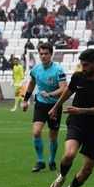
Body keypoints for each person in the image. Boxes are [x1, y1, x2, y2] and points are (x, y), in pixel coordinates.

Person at [47, 48, 94, 187]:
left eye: (86, 65)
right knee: (69, 153)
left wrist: (80, 110)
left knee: (87, 170)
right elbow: (67, 92)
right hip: (77, 122)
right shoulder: (78, 77)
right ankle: (62, 176)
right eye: (81, 65)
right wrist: (55, 107)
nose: (83, 68)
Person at [21, 42, 67, 172]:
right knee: (36, 132)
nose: (43, 56)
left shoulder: (58, 70)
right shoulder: (36, 69)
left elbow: (64, 88)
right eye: (41, 54)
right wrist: (25, 100)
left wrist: (50, 94)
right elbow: (31, 84)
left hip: (55, 105)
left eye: (46, 54)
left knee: (53, 137)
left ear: (51, 54)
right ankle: (40, 161)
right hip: (40, 104)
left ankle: (52, 160)